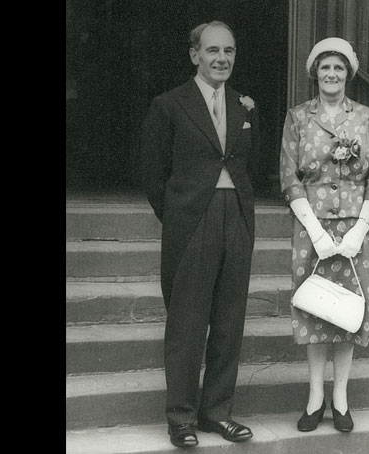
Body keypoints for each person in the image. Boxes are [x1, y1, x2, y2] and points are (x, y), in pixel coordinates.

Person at [140, 20, 259, 448]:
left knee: (229, 321)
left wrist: (241, 214)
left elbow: (250, 166)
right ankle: (181, 417)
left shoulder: (245, 106)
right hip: (192, 220)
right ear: (195, 55)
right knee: (188, 323)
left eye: (228, 51)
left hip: (236, 218)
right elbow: (153, 176)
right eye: (212, 51)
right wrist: (178, 215)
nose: (221, 58)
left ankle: (217, 412)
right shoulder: (169, 105)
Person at [279, 37, 369, 433]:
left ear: (348, 74)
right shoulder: (298, 117)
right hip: (312, 228)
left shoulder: (367, 117)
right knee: (315, 309)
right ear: (314, 73)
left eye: (339, 68)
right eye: (325, 67)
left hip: (354, 229)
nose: (332, 74)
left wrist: (360, 228)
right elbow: (289, 175)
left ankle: (340, 396)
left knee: (347, 311)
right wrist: (314, 230)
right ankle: (315, 397)